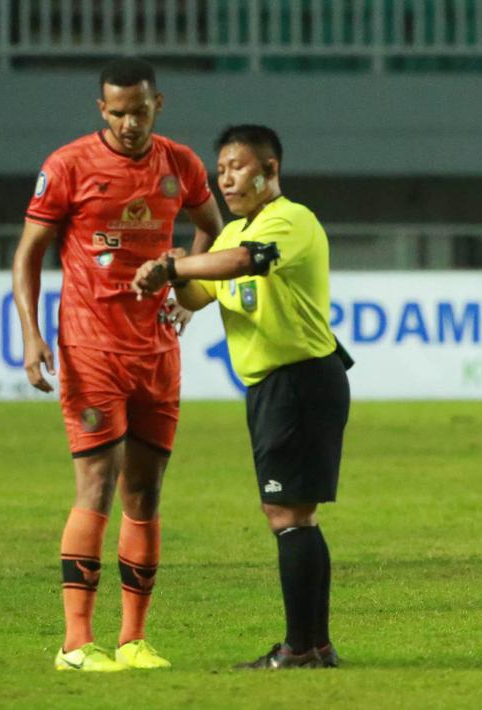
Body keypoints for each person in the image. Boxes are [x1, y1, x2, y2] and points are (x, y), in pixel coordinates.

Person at [11, 57, 223, 671]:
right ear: (101, 110)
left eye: (140, 110)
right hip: (90, 347)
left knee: (146, 492)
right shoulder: (69, 165)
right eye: (118, 112)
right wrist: (31, 336)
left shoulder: (179, 164)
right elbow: (28, 254)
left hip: (156, 350)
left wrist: (187, 295)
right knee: (97, 483)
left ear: (160, 103)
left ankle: (133, 640)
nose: (130, 123)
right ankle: (76, 642)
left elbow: (211, 228)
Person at [133, 124, 350, 669]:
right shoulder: (230, 233)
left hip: (301, 379)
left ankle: (301, 648)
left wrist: (172, 267)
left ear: (270, 169)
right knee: (293, 513)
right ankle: (314, 646)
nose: (226, 178)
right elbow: (200, 294)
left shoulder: (291, 220)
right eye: (221, 169)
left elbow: (245, 263)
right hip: (274, 385)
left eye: (237, 167)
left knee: (287, 511)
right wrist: (176, 273)